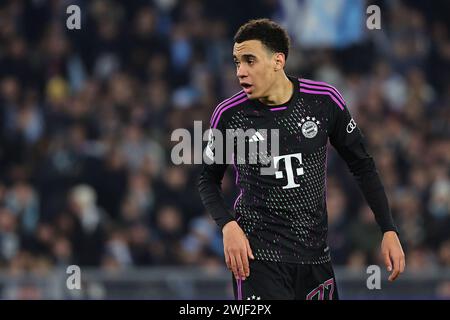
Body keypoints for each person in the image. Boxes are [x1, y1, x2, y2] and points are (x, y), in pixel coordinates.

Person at [197, 18, 405, 300]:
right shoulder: (230, 114)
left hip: (315, 258)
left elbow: (362, 165)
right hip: (259, 259)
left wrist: (388, 229)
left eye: (249, 60)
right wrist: (229, 226)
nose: (241, 72)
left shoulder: (323, 100)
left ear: (278, 61)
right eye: (237, 62)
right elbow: (207, 179)